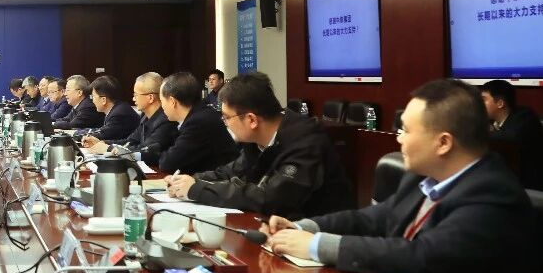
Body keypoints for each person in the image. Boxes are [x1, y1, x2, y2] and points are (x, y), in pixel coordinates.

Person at [263, 79, 536, 273]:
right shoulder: (424, 177)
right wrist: (303, 228)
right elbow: (372, 218)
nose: (398, 137)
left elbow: (423, 256)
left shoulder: (492, 194)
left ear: (443, 143)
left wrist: (317, 246)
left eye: (406, 130)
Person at [166, 72, 353, 219]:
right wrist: (189, 180)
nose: (224, 123)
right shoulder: (256, 141)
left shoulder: (306, 142)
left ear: (252, 120)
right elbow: (231, 172)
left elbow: (271, 198)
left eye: (226, 117)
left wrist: (198, 190)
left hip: (314, 238)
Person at [151, 72, 238, 175]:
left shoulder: (198, 122)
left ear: (172, 101)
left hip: (221, 181)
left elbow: (168, 163)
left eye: (162, 101)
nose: (162, 107)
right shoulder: (199, 114)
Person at [479, 79, 543, 192]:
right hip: (508, 179)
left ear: (500, 103)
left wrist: (486, 132)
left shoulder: (525, 116)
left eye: (483, 99)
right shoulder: (489, 121)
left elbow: (510, 139)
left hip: (536, 184)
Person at [83, 72, 177, 166]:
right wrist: (102, 142)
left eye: (136, 95)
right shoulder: (145, 116)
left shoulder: (165, 121)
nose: (133, 99)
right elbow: (130, 141)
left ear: (150, 98)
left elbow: (146, 151)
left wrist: (108, 148)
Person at [78, 75, 139, 142]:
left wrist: (75, 134)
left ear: (103, 100)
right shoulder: (117, 109)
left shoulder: (119, 114)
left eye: (93, 97)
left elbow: (102, 134)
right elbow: (100, 130)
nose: (92, 101)